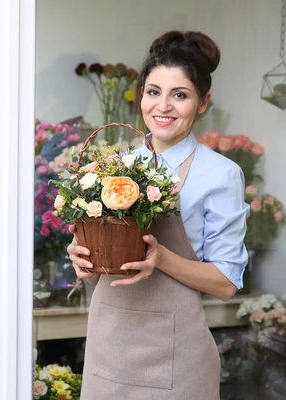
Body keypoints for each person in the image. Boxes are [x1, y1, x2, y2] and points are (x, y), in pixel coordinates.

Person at [67, 30, 249, 399]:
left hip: (175, 358)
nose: (162, 106)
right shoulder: (113, 166)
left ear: (202, 102)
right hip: (109, 349)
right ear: (142, 96)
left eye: (179, 95)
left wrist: (161, 258)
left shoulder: (220, 173)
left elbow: (225, 283)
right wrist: (84, 260)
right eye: (153, 92)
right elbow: (105, 274)